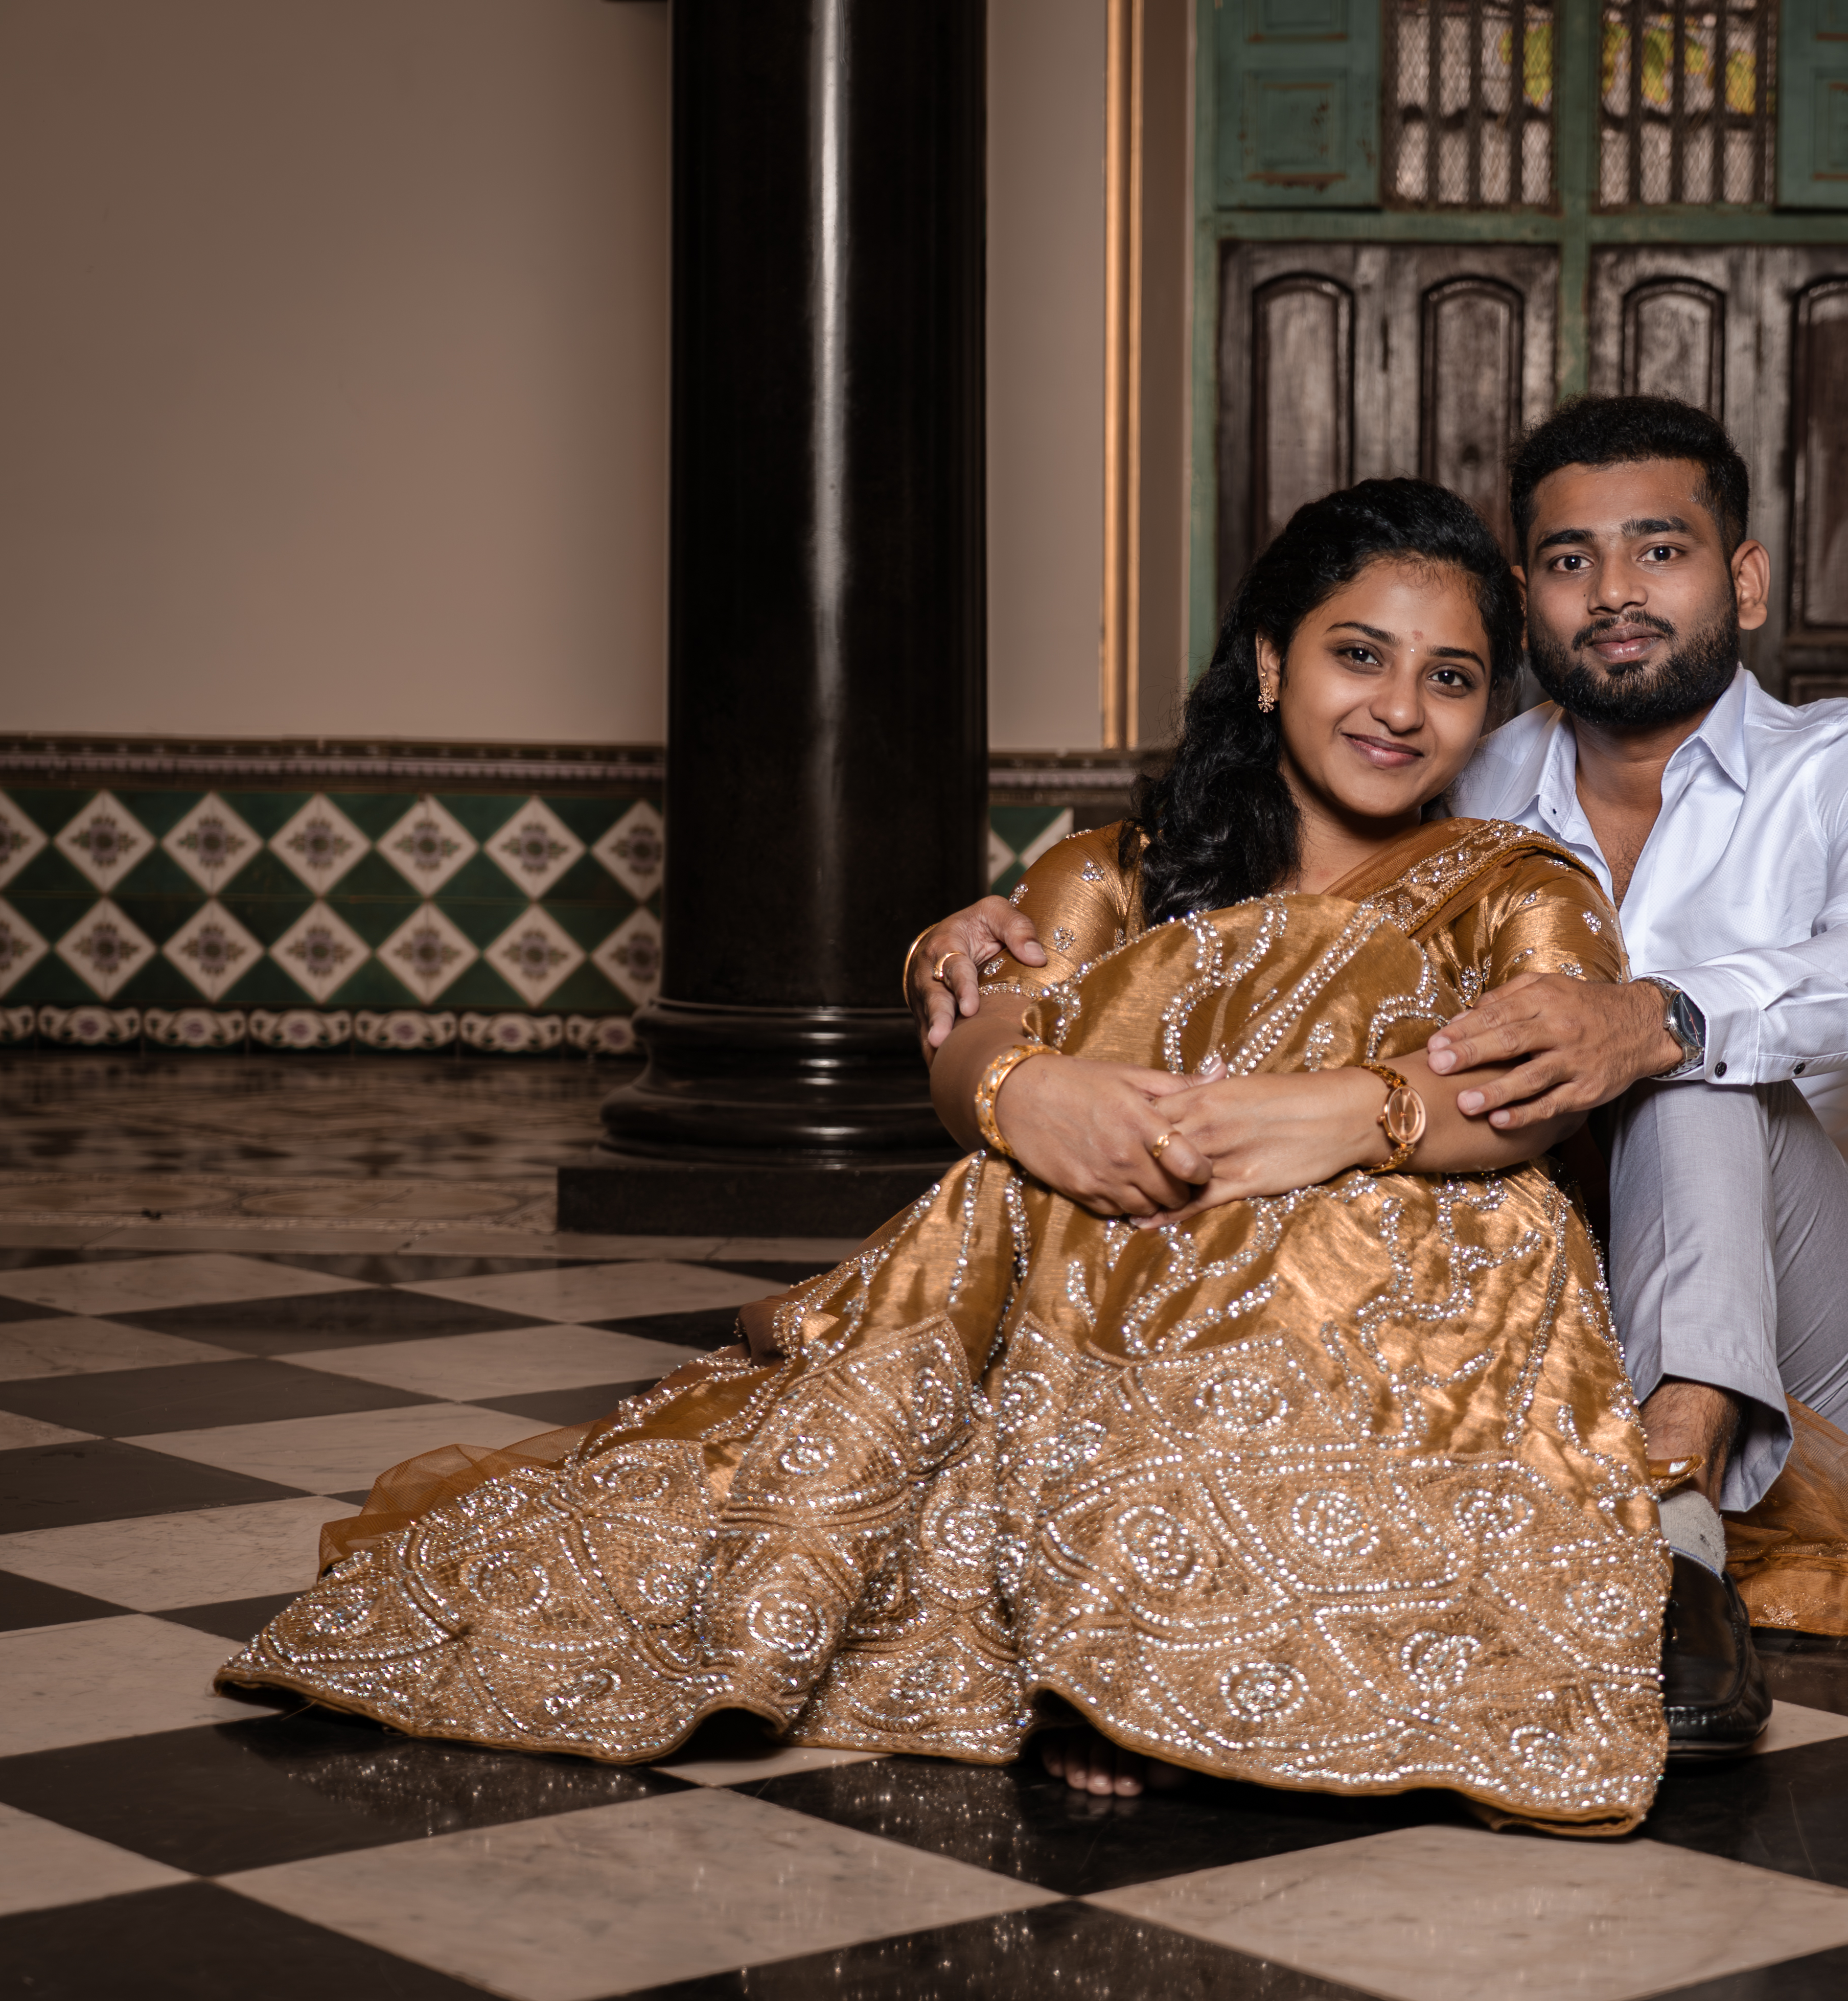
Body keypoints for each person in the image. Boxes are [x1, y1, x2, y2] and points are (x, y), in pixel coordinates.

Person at [218, 479, 1671, 1836]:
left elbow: (1537, 1092)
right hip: (1120, 1256)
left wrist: (1337, 1119)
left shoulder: (1514, 887)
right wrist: (1028, 1093)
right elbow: (986, 1031)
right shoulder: (1119, 873)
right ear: (1270, 662)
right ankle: (1099, 1636)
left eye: (1451, 677)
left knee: (1357, 1235)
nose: (1400, 708)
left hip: (1390, 1291)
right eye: (1360, 655)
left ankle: (1146, 1655)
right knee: (1033, 1194)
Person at [919, 397, 1848, 1757]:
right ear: (1527, 599)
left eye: (1661, 550)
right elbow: (1265, 930)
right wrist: (981, 956)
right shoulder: (1464, 767)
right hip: (1536, 1303)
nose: (1616, 591)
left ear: (1747, 579)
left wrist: (1648, 1017)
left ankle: (1680, 1539)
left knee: (1687, 1064)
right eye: (1572, 560)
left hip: (1824, 1332)